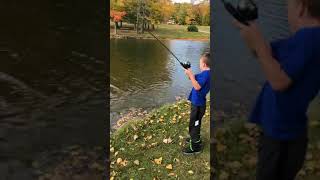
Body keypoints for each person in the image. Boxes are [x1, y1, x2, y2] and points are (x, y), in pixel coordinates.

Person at [233, 0, 320, 179]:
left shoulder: (310, 39)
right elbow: (265, 54)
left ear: (301, 8)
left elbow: (279, 81)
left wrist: (257, 42)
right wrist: (250, 31)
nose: (287, 15)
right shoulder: (304, 40)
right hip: (290, 127)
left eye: (288, 7)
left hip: (281, 133)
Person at [183, 52, 211, 155]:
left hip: (198, 105)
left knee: (194, 124)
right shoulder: (205, 74)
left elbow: (197, 87)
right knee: (195, 123)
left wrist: (191, 75)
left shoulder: (207, 75)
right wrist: (188, 72)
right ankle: (195, 138)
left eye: (200, 63)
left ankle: (195, 147)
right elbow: (193, 78)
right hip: (198, 104)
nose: (199, 65)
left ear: (203, 64)